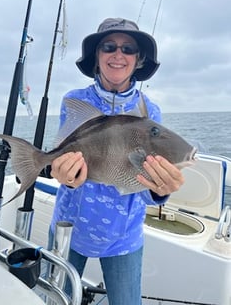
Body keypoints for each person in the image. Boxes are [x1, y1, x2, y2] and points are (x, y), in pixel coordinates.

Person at [48, 18, 184, 305]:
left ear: (139, 60)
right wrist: (66, 177)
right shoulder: (74, 101)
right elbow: (67, 158)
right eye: (108, 46)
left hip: (124, 237)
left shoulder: (151, 113)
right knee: (54, 300)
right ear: (96, 57)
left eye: (128, 48)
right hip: (70, 226)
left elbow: (144, 185)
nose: (118, 54)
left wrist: (160, 189)